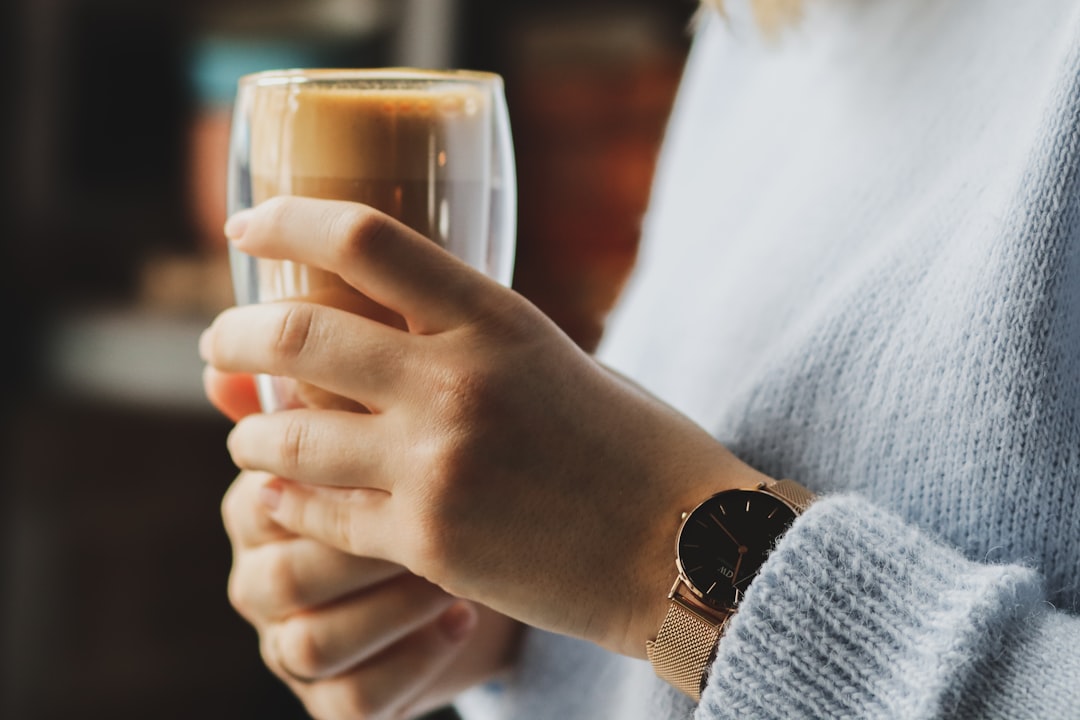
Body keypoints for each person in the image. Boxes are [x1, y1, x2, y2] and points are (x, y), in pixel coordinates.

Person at [200, 0, 1080, 718]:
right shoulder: (764, 36)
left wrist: (665, 560)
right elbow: (669, 652)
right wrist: (513, 624)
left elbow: (659, 577)